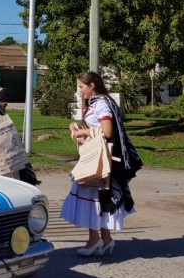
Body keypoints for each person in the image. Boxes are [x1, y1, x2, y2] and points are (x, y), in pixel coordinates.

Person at [60, 71, 143, 257]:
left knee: (93, 198)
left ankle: (94, 240)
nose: (80, 91)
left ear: (92, 86)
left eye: (81, 87)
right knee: (100, 199)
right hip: (98, 157)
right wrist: (81, 128)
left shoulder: (102, 103)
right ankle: (105, 240)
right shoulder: (101, 101)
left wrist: (82, 133)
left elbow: (106, 131)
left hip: (98, 161)